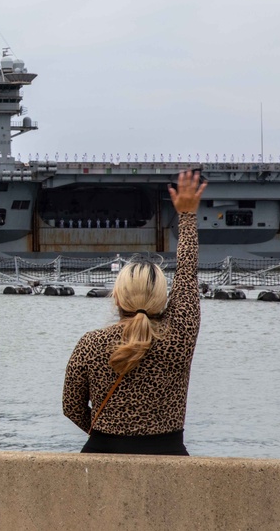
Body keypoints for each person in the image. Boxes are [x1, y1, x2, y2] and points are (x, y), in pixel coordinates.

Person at [63, 170, 206, 455]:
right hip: (168, 457)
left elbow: (71, 406)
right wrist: (187, 216)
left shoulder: (90, 343)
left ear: (116, 296)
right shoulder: (180, 337)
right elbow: (187, 275)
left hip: (102, 456)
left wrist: (108, 430)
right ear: (164, 299)